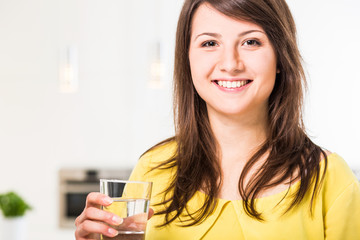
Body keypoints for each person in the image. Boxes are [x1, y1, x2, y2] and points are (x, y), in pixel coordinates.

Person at [75, 0, 360, 239]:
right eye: (210, 43)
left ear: (280, 58)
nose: (230, 64)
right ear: (187, 60)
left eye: (251, 42)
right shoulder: (153, 170)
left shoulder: (329, 180)